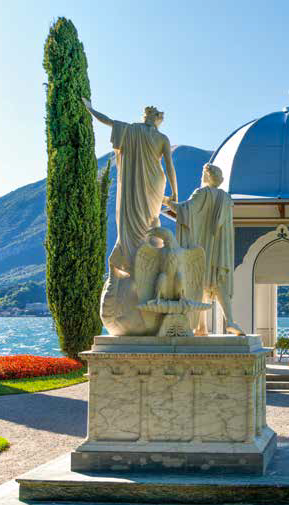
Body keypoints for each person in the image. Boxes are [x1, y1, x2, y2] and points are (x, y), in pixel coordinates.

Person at [83, 98, 178, 335]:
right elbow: (169, 167)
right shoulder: (160, 138)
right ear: (156, 120)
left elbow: (108, 121)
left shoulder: (131, 130)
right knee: (151, 224)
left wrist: (91, 108)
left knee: (139, 224)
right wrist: (174, 193)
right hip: (155, 184)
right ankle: (142, 268)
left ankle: (136, 265)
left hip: (138, 186)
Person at [164, 163, 244, 336]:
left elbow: (184, 211)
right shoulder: (226, 198)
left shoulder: (201, 193)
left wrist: (166, 201)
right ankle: (223, 322)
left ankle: (203, 326)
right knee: (217, 282)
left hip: (203, 247)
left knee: (200, 283)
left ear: (207, 176)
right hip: (220, 249)